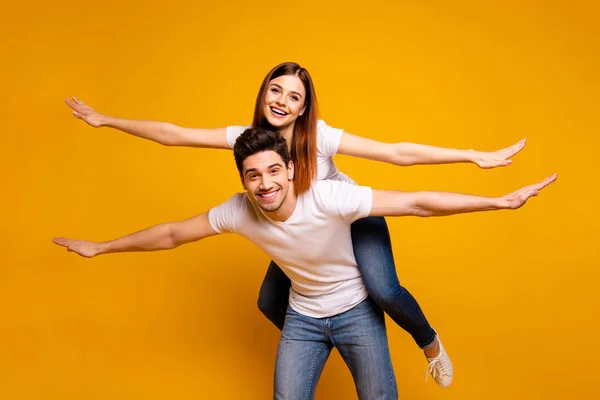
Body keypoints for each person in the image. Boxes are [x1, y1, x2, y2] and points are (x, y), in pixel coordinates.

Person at [65, 62, 526, 387]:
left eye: (294, 96)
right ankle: (318, 337)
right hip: (297, 235)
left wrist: (471, 158)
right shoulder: (246, 142)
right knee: (270, 300)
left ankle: (428, 342)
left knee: (383, 291)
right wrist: (106, 121)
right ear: (263, 93)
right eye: (275, 90)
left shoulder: (319, 137)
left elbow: (397, 154)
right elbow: (174, 134)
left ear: (305, 108)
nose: (282, 101)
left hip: (349, 218)